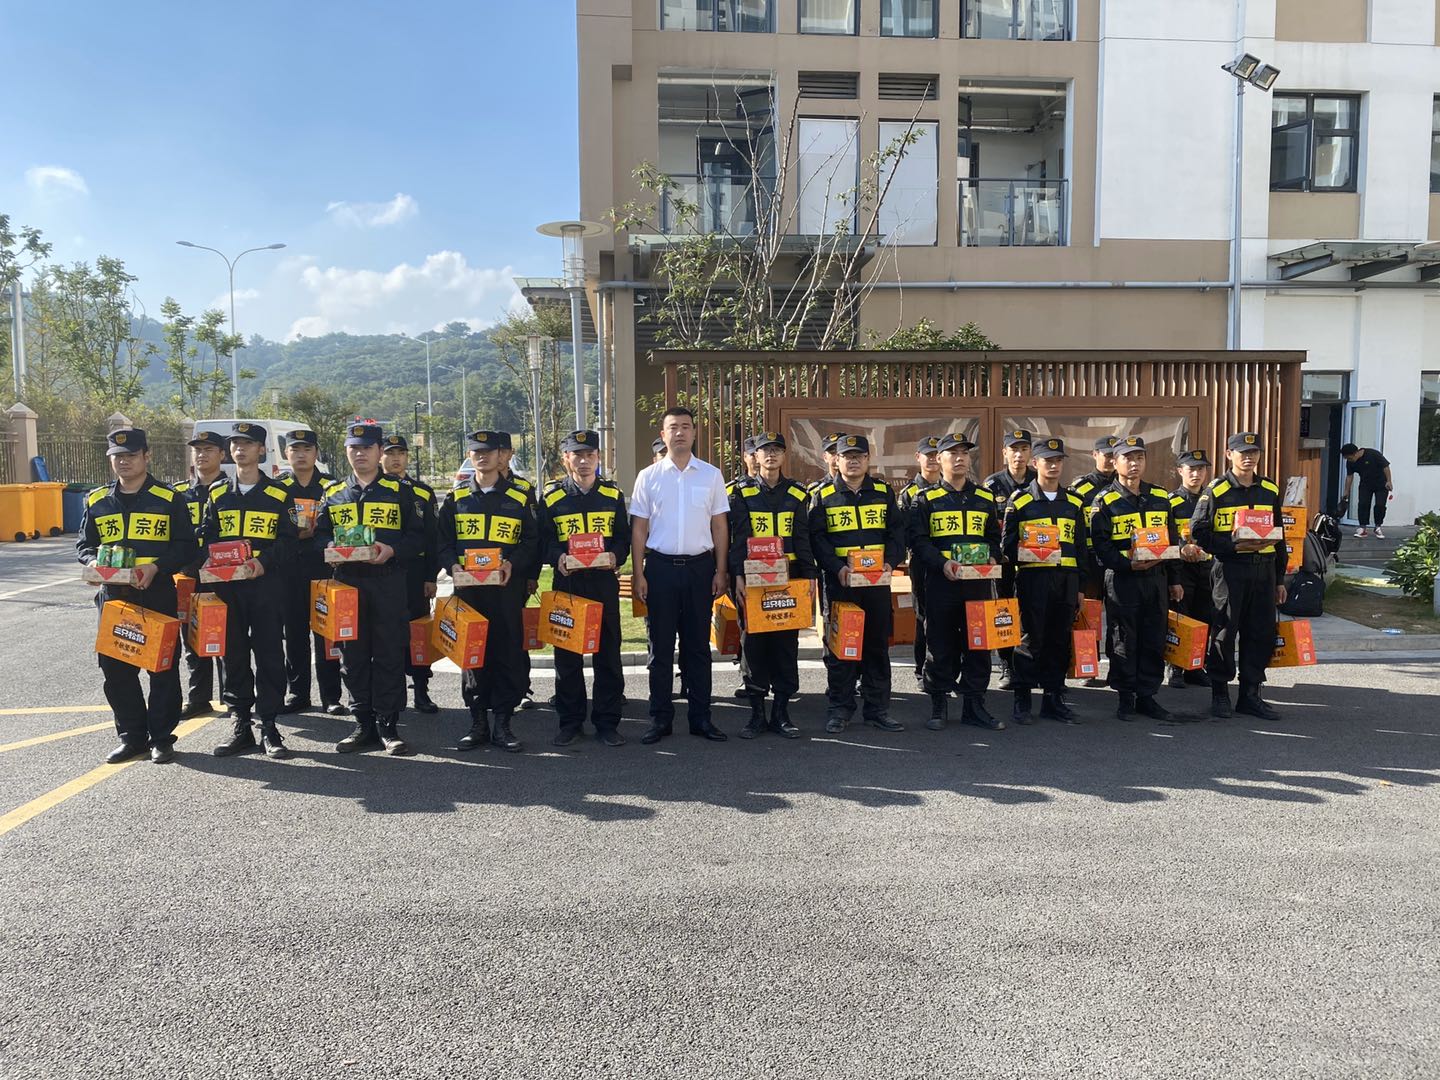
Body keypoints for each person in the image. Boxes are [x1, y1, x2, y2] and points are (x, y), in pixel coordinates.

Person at [78, 427, 196, 764]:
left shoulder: (169, 498)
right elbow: (85, 545)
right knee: (115, 669)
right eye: (117, 456)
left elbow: (186, 546)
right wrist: (92, 564)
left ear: (147, 456)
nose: (123, 461)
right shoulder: (97, 499)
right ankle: (132, 737)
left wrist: (156, 567)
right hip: (114, 597)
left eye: (130, 455)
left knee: (162, 668)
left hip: (156, 593)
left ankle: (161, 738)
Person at [315, 422, 423, 755]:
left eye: (366, 448)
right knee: (352, 655)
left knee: (390, 653)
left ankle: (388, 725)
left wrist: (393, 550)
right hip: (348, 583)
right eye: (354, 448)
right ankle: (362, 723)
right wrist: (328, 545)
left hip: (388, 582)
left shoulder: (401, 491)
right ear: (346, 451)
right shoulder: (334, 493)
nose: (360, 453)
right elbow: (319, 534)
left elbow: (419, 537)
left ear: (379, 452)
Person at [630, 406, 731, 744]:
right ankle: (660, 719)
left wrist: (721, 570)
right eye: (673, 427)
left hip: (701, 569)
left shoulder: (711, 475)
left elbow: (720, 526)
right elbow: (639, 529)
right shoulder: (648, 476)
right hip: (660, 569)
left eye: (686, 426)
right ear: (663, 435)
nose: (680, 433)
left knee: (698, 648)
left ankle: (701, 718)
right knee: (660, 649)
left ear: (694, 433)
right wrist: (639, 573)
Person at [437, 429, 540, 752]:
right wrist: (452, 566)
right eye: (476, 452)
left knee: (507, 652)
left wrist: (512, 564)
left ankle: (503, 724)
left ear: (501, 456)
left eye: (489, 451)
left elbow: (532, 541)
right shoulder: (456, 498)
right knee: (473, 655)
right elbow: (442, 541)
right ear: (469, 456)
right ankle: (478, 722)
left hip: (505, 591)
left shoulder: (520, 496)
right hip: (469, 593)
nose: (482, 456)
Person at [202, 423, 299, 758]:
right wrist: (207, 558)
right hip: (228, 587)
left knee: (269, 653)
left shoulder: (279, 494)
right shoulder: (217, 493)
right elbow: (207, 535)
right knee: (232, 655)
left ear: (261, 449)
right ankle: (241, 723)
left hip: (265, 586)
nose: (240, 449)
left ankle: (269, 726)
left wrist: (264, 562)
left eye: (247, 443)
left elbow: (289, 541)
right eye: (235, 444)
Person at [537, 430, 630, 747]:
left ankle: (607, 723)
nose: (584, 461)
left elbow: (623, 538)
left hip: (603, 584)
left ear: (598, 457)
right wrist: (557, 557)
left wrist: (615, 556)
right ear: (566, 459)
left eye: (590, 454)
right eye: (577, 455)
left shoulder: (612, 495)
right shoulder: (552, 497)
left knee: (608, 656)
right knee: (567, 658)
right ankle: (570, 722)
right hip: (568, 585)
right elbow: (543, 541)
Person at [907, 432, 1004, 731]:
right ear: (939, 459)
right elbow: (919, 542)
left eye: (964, 453)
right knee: (940, 643)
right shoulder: (926, 499)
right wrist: (942, 563)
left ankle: (975, 706)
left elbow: (994, 538)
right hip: (941, 583)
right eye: (953, 453)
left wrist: (993, 557)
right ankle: (939, 704)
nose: (960, 458)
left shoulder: (985, 498)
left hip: (977, 584)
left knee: (978, 644)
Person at [809, 434, 906, 734]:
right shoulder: (823, 495)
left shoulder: (883, 492)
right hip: (841, 584)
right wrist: (836, 567)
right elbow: (817, 539)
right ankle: (840, 709)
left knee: (876, 647)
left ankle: (878, 710)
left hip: (876, 585)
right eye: (847, 456)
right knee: (842, 648)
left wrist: (891, 561)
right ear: (836, 460)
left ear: (867, 459)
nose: (853, 461)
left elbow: (896, 533)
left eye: (858, 456)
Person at [1190, 432, 1289, 721]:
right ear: (1228, 454)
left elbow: (1280, 536)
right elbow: (1198, 531)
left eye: (1254, 452)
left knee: (1260, 633)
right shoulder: (1216, 490)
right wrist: (1232, 545)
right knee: (1224, 631)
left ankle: (1250, 695)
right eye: (1242, 452)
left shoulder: (1269, 488)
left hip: (1264, 570)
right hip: (1230, 569)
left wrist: (1279, 579)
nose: (1249, 457)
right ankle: (1220, 694)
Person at [1088, 436, 1183, 723]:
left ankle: (1147, 695)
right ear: (1115, 462)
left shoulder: (1160, 496)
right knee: (1124, 638)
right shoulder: (1105, 500)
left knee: (1154, 636)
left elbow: (1172, 538)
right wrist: (1128, 564)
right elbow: (1100, 546)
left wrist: (1174, 579)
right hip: (1123, 579)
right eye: (1127, 458)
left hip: (1155, 578)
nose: (1134, 464)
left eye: (1139, 458)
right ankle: (1125, 696)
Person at [728, 431, 815, 739]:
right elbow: (738, 539)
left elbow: (803, 539)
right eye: (766, 450)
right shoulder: (741, 493)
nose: (771, 455)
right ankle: (756, 715)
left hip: (789, 579)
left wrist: (810, 577)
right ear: (756, 456)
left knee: (785, 645)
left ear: (784, 455)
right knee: (753, 645)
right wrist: (737, 575)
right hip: (753, 581)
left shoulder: (798, 494)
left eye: (777, 449)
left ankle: (781, 714)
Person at [1001, 437, 1087, 725]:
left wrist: (1081, 588)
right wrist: (1031, 551)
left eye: (1058, 460)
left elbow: (1081, 548)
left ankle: (1053, 699)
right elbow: (1006, 547)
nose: (1053, 466)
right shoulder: (1021, 500)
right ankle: (1022, 699)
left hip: (1066, 581)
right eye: (1048, 461)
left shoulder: (1074, 502)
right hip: (1033, 579)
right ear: (1035, 463)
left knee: (1059, 641)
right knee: (1029, 640)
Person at [276, 429, 347, 716]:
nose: (301, 454)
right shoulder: (278, 488)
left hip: (323, 568)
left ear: (316, 453)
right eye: (295, 449)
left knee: (327, 633)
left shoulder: (332, 487)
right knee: (294, 633)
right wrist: (298, 533)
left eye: (307, 449)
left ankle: (331, 696)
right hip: (288, 570)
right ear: (286, 454)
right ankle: (298, 693)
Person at [380, 435, 441, 714]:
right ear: (380, 456)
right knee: (387, 634)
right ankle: (391, 694)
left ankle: (421, 690)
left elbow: (432, 537)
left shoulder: (422, 492)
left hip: (414, 574)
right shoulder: (374, 490)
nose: (396, 458)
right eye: (390, 453)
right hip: (381, 574)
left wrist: (431, 577)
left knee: (418, 633)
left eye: (401, 453)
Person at [175, 430, 227, 718]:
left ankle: (233, 696)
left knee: (226, 637)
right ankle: (198, 697)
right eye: (197, 450)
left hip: (222, 576)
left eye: (209, 449)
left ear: (222, 454)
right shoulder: (180, 494)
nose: (202, 454)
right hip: (188, 576)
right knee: (192, 637)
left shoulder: (231, 491)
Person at [983, 429, 1037, 691]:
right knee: (1003, 612)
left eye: (1024, 449)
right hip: (1003, 562)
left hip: (1032, 560)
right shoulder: (992, 485)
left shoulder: (1038, 481)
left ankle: (1029, 664)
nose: (1019, 455)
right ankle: (1006, 664)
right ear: (1004, 452)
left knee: (1030, 612)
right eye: (1014, 449)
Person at [1166, 449, 1215, 689]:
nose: (1196, 474)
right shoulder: (1170, 501)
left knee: (1204, 618)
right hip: (1181, 569)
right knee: (1181, 617)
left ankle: (1196, 666)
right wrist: (1182, 547)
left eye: (1201, 469)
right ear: (1180, 471)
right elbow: (1165, 535)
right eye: (1191, 469)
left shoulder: (1212, 499)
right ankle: (1175, 668)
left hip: (1208, 568)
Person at [898, 435, 943, 691]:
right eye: (929, 455)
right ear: (918, 458)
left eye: (937, 455)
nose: (933, 459)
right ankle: (921, 669)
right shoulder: (909, 493)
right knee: (923, 616)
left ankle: (946, 669)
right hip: (922, 564)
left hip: (951, 563)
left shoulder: (954, 488)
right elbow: (905, 533)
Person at [1340, 442, 1393, 539]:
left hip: (1381, 484)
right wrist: (1346, 491)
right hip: (1365, 484)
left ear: (1355, 453)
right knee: (1363, 504)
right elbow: (1349, 476)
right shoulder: (1350, 462)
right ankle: (1362, 528)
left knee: (1380, 505)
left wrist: (1389, 481)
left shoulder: (1373, 454)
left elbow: (1386, 466)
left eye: (1350, 458)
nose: (1349, 460)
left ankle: (1377, 526)